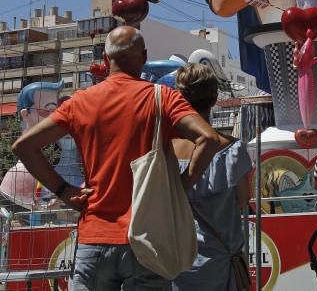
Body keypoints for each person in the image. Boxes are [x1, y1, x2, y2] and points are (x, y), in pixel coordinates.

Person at [12, 26, 224, 291]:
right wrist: (181, 186)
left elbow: (24, 146)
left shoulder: (80, 102)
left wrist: (64, 190)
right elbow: (210, 139)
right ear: (144, 56)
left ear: (105, 57)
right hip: (149, 237)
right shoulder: (162, 98)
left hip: (95, 236)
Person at [171, 63, 252, 291]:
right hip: (222, 265)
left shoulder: (167, 151)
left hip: (179, 265)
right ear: (215, 98)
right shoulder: (233, 150)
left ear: (180, 98)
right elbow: (243, 199)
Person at [1, 80, 63, 208]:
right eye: (50, 110)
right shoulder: (20, 174)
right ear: (25, 114)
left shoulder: (50, 161)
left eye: (57, 110)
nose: (56, 116)